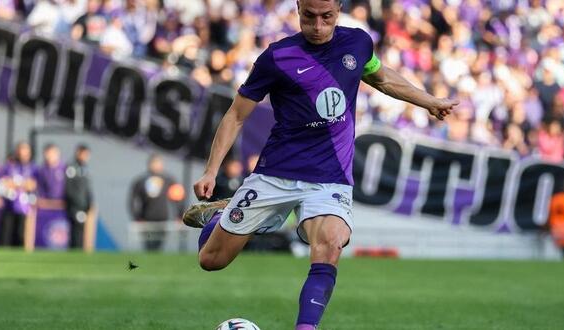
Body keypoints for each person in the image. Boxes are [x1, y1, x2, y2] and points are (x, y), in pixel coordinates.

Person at [185, 1, 457, 329]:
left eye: (326, 17)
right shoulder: (276, 57)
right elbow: (237, 114)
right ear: (298, 9)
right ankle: (220, 217)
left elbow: (382, 78)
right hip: (276, 174)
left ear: (338, 9)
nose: (317, 26)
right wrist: (212, 170)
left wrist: (429, 101)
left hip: (330, 176)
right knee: (211, 260)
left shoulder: (358, 43)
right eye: (308, 17)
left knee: (330, 242)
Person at [129, 154, 184, 251]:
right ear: (149, 164)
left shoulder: (169, 180)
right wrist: (136, 217)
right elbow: (132, 200)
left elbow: (178, 198)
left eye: (159, 163)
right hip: (146, 218)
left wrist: (180, 216)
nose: (157, 165)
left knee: (158, 245)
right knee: (149, 245)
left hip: (162, 217)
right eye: (155, 163)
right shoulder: (140, 180)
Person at [0, 142, 37, 247]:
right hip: (9, 205)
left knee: (20, 235)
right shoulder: (10, 166)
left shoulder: (33, 168)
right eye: (20, 150)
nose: (22, 153)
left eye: (25, 150)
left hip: (24, 207)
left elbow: (32, 184)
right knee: (6, 235)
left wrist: (18, 184)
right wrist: (21, 184)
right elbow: (5, 182)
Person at [64, 144, 94, 248]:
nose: (86, 157)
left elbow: (87, 189)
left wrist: (89, 203)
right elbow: (69, 188)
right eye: (84, 154)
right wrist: (77, 204)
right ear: (78, 153)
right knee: (75, 232)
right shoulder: (72, 168)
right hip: (75, 206)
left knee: (81, 232)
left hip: (83, 206)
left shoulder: (84, 168)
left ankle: (79, 252)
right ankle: (74, 254)